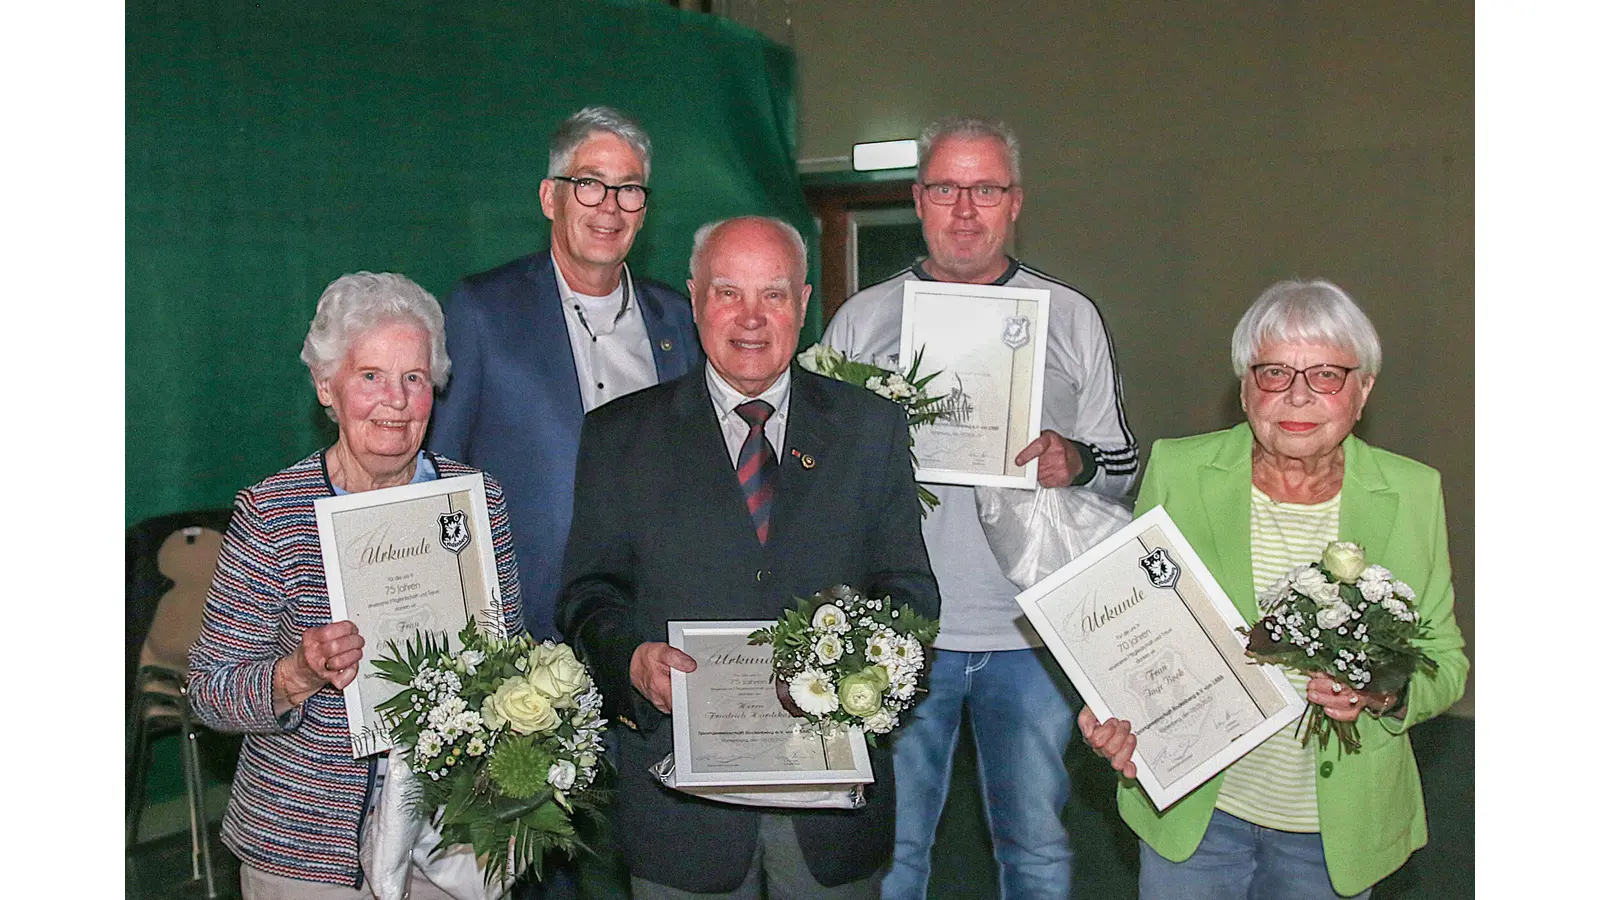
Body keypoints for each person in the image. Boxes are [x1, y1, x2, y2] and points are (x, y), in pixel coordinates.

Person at [556, 216, 940, 899]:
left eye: (776, 294)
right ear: (695, 298)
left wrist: (869, 663)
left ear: (805, 302)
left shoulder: (870, 428)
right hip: (680, 807)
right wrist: (630, 661)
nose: (752, 318)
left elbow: (909, 590)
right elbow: (589, 594)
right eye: (729, 292)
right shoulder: (620, 436)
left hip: (829, 806)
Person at [822, 115, 1138, 899]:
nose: (966, 209)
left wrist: (1078, 460)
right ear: (919, 199)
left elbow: (1125, 466)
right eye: (946, 188)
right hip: (902, 636)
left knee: (1034, 847)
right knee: (893, 855)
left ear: (1016, 202)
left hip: (1029, 633)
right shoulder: (863, 320)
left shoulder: (1069, 315)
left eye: (986, 189)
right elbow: (814, 476)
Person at [1080, 279, 1469, 899]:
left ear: (1363, 389)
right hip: (1198, 807)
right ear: (1243, 387)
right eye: (1273, 373)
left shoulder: (1412, 492)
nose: (1297, 395)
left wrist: (1382, 695)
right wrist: (1110, 704)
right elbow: (1133, 627)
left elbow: (1445, 664)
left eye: (1326, 376)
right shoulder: (1180, 470)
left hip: (1334, 826)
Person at [188, 272, 524, 899]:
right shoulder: (274, 513)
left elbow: (509, 663)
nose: (395, 399)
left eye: (414, 378)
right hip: (304, 851)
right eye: (371, 375)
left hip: (448, 847)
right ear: (326, 385)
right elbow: (209, 693)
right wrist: (298, 673)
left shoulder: (477, 503)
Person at [429, 104, 701, 640]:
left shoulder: (678, 319)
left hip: (652, 626)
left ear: (644, 212)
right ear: (550, 197)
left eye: (629, 189)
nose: (610, 207)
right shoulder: (483, 310)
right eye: (590, 185)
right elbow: (439, 470)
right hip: (524, 625)